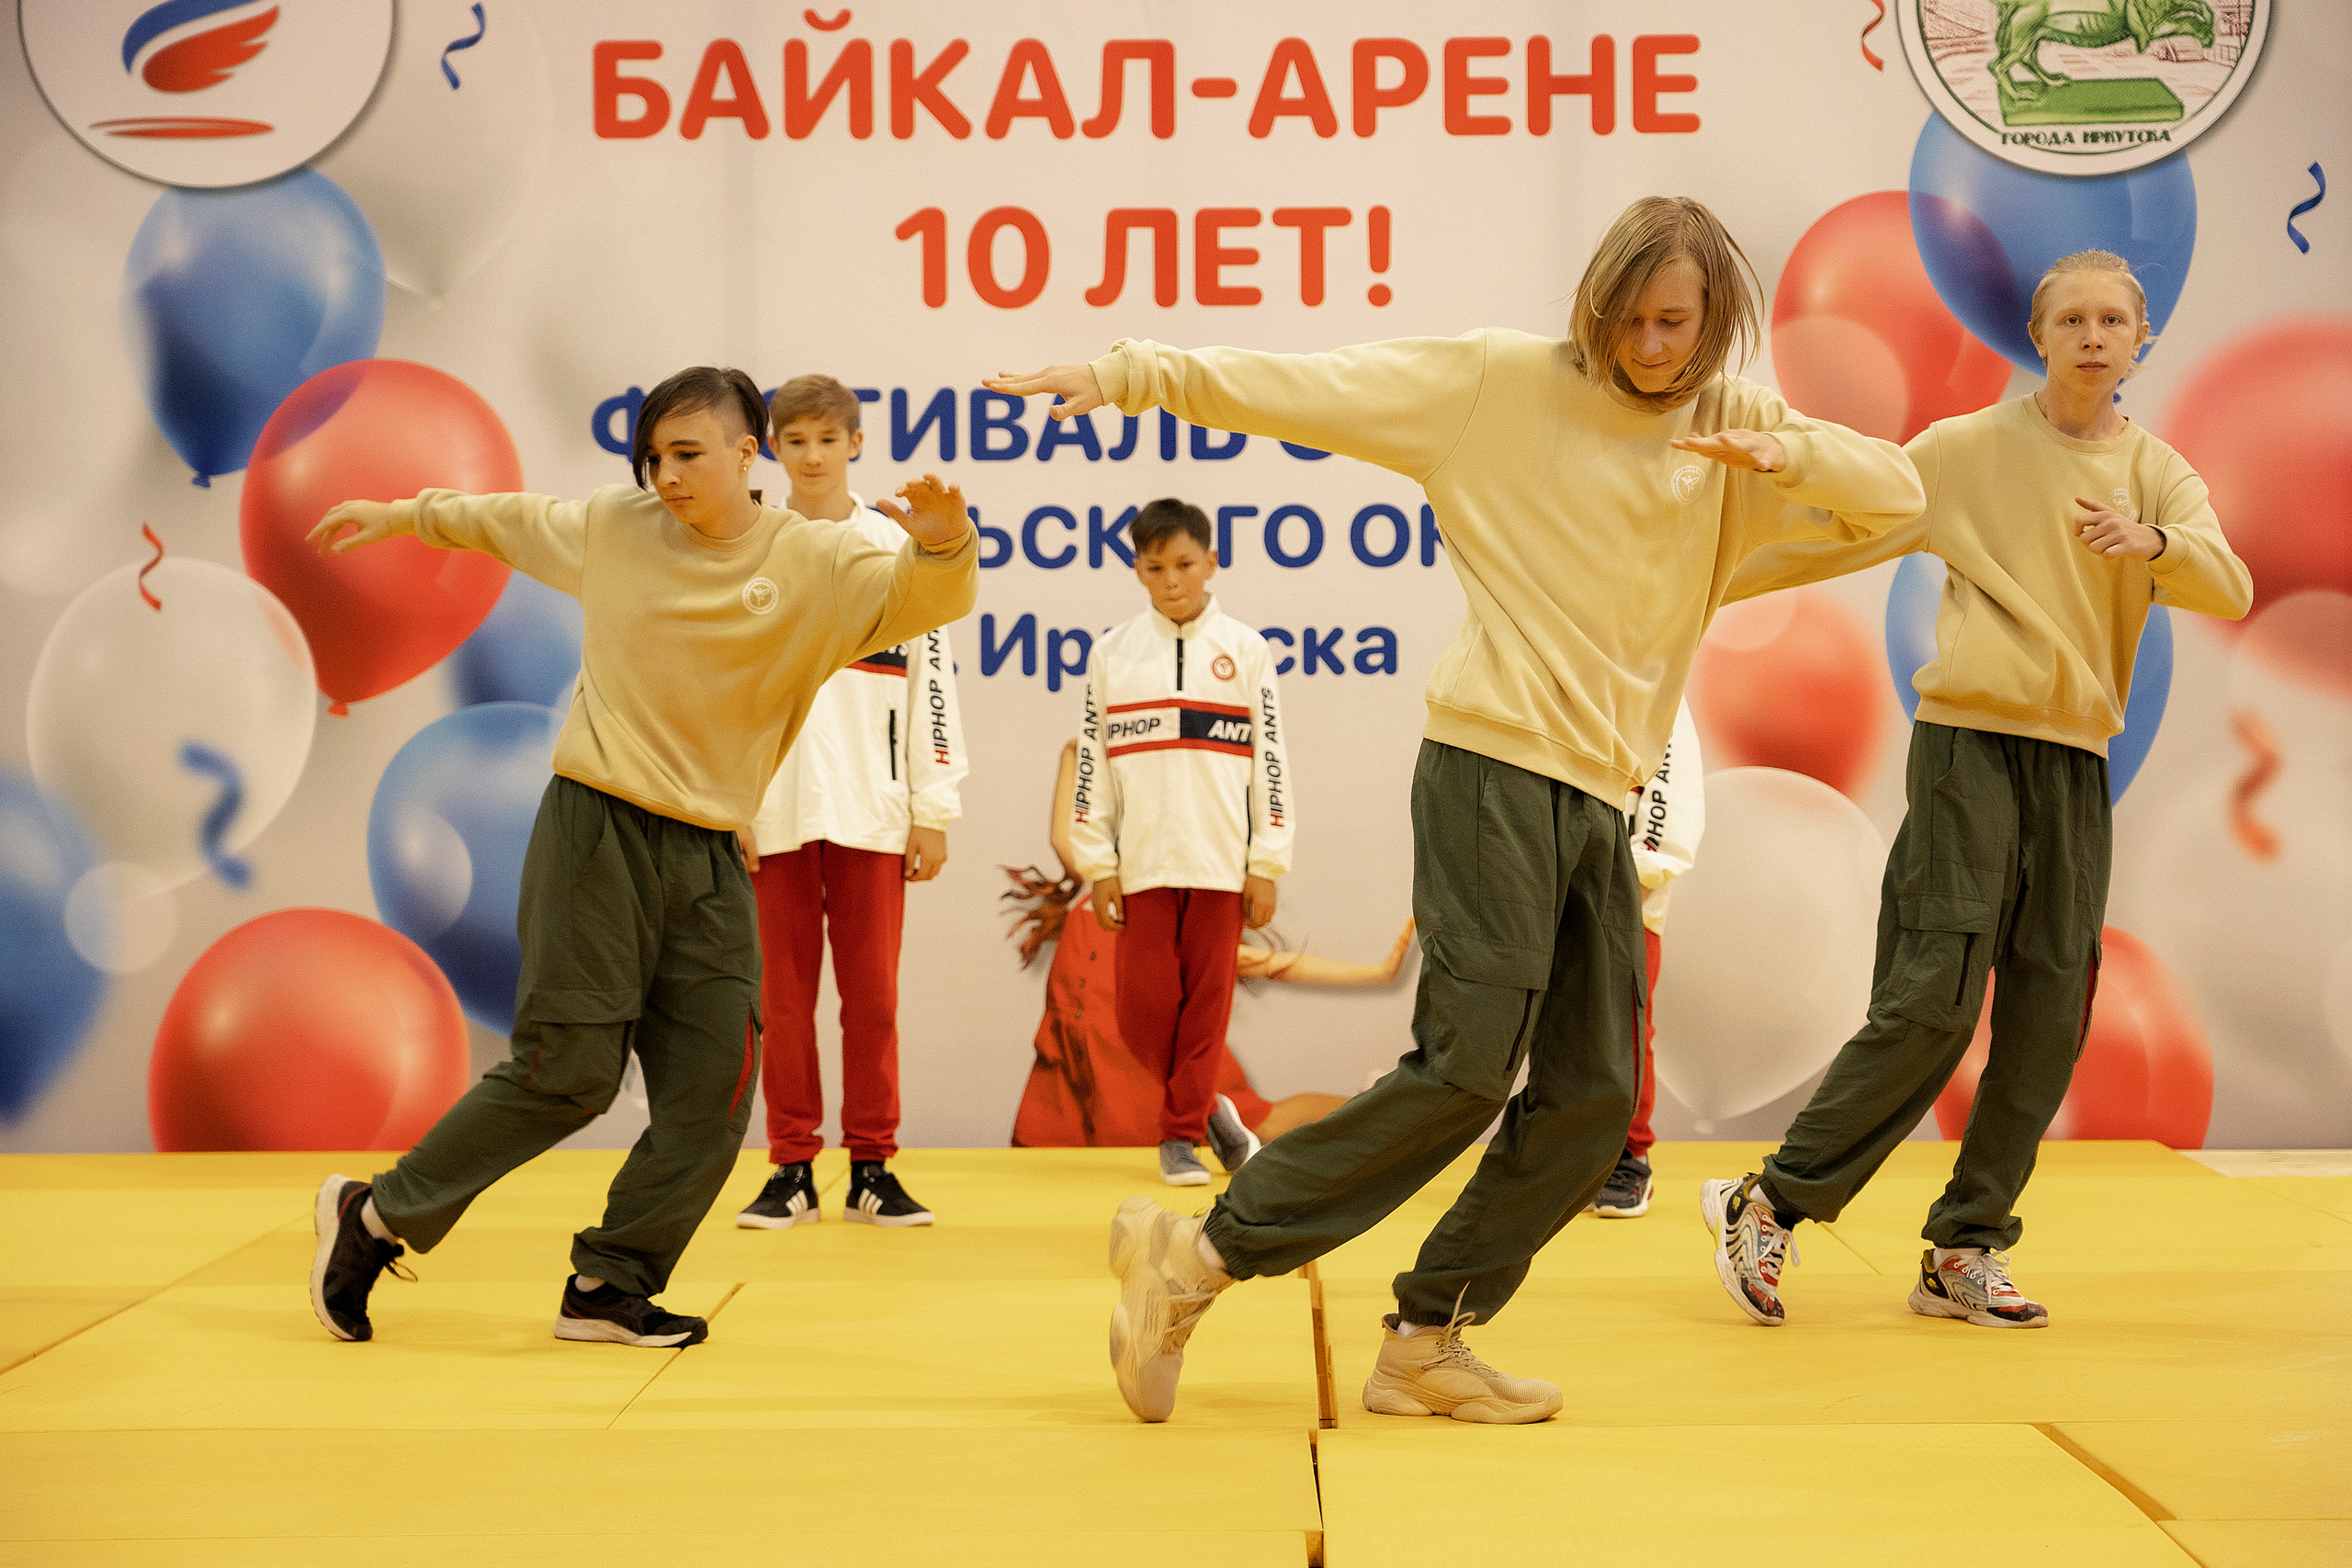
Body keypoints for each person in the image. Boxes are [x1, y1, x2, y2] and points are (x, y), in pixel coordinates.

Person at [988, 195, 1922, 1425]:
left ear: (1714, 324)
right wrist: (1132, 374)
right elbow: (1307, 387)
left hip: (1599, 798)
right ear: (1595, 306)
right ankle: (1200, 1257)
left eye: (1678, 325)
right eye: (1631, 319)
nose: (1652, 347)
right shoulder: (1501, 383)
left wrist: (1780, 447)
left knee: (1592, 1099)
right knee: (1468, 1067)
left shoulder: (1727, 441)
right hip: (1490, 765)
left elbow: (1899, 497)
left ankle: (1427, 1335)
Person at [302, 367, 977, 1348]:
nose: (664, 474)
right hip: (596, 831)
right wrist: (405, 513)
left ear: (751, 453)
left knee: (711, 1090)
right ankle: (377, 1214)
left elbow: (924, 598)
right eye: (652, 456)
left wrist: (947, 540)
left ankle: (609, 1280)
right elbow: (503, 519)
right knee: (565, 1072)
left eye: (687, 454)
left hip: (708, 855)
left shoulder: (817, 562)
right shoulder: (616, 529)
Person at [1699, 250, 2251, 1330]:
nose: (2092, 336)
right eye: (2071, 319)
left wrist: (2155, 543)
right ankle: (1769, 1201)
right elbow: (1858, 503)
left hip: (2075, 765)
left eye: (2112, 320)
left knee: (2049, 1015)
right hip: (1967, 749)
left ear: (2142, 342)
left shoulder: (2156, 472)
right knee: (1932, 1004)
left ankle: (1964, 1249)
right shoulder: (1967, 449)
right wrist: (1759, 494)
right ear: (2036, 337)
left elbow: (2226, 583)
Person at [731, 376, 967, 1233]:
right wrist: (732, 805)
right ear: (771, 452)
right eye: (795, 441)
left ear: (855, 445)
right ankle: (791, 1165)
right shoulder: (752, 545)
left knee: (872, 998)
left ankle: (873, 1165)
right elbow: (733, 687)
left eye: (828, 439)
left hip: (873, 808)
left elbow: (932, 680)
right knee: (783, 1002)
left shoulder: (895, 545)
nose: (813, 456)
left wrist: (932, 805)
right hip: (774, 812)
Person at [1009, 739, 1411, 1151]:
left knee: (1264, 1121)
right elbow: (1063, 834)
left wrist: (1376, 972)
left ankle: (1382, 1109)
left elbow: (1272, 963)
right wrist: (1075, 753)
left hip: (1142, 1064)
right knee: (1056, 1149)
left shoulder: (1167, 915)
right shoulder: (1097, 884)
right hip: (1074, 1059)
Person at [1068, 498, 1294, 1186]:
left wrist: (1267, 862)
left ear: (1212, 562)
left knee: (1206, 1007)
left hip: (1224, 865)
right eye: (1156, 566)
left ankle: (1178, 1135)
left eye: (1185, 564)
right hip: (1142, 865)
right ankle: (1215, 1115)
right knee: (1141, 1012)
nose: (1172, 580)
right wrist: (1098, 865)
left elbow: (1273, 764)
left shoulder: (1249, 651)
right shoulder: (1111, 655)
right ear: (1138, 570)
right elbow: (1091, 766)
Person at [1589, 698, 1706, 1219]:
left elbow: (1669, 788)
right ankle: (1563, 1153)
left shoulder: (1661, 680)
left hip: (1626, 892)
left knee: (1623, 1025)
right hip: (1554, 877)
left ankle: (1628, 1156)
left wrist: (1636, 873)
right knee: (1558, 1024)